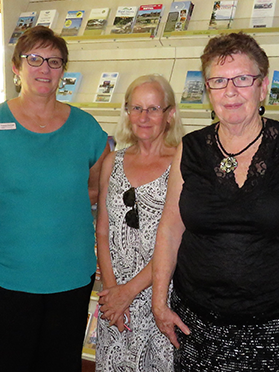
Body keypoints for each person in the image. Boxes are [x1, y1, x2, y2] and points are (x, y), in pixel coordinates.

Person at [151, 32, 279, 371]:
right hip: (196, 325)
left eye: (242, 79)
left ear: (263, 87)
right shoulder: (190, 149)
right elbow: (170, 230)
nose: (230, 91)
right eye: (218, 81)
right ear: (208, 91)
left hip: (273, 326)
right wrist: (159, 303)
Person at [0, 26, 109, 372]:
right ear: (17, 67)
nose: (45, 68)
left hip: (71, 273)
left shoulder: (85, 127)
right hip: (7, 274)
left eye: (54, 61)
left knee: (62, 364)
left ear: (63, 70)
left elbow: (97, 187)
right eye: (35, 59)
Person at [95, 74, 184, 371]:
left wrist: (128, 291)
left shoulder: (182, 162)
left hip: (162, 294)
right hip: (115, 299)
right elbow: (103, 231)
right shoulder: (112, 162)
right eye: (137, 108)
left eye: (153, 109)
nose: (144, 117)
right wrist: (112, 292)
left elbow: (177, 240)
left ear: (169, 114)